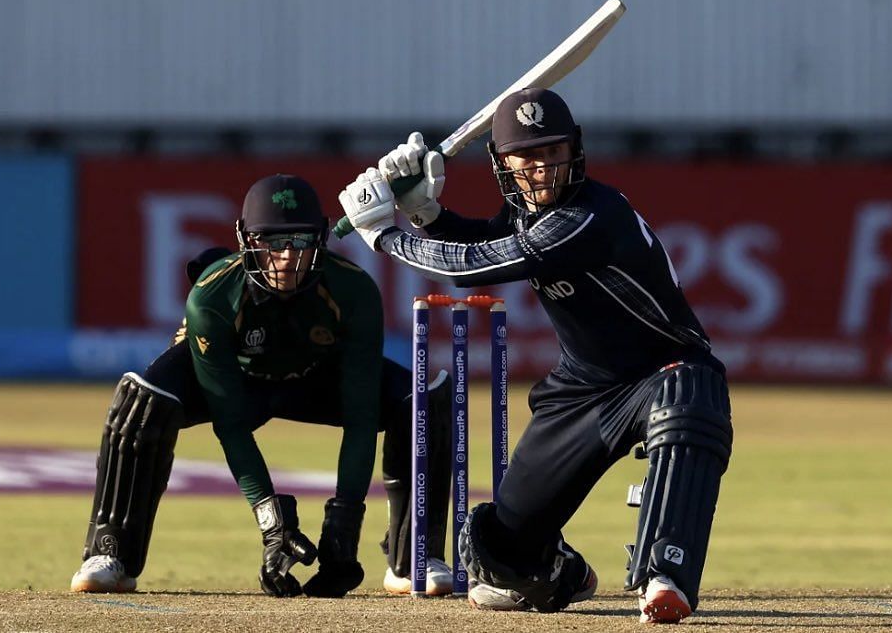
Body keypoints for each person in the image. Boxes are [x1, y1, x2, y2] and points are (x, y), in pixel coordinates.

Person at [338, 89, 733, 623]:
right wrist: (427, 213)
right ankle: (559, 572)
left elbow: (472, 267)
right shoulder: (526, 214)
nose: (544, 168)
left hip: (663, 368)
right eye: (529, 157)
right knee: (497, 551)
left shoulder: (591, 214)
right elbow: (480, 239)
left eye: (554, 152)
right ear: (504, 165)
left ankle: (666, 573)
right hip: (583, 390)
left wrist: (383, 235)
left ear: (576, 150)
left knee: (692, 392)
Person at [70, 173, 456, 598]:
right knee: (141, 400)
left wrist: (343, 523)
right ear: (245, 239)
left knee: (424, 400)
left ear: (321, 240)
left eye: (298, 241)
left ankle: (415, 559)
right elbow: (231, 425)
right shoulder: (213, 296)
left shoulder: (354, 290)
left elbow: (361, 419)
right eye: (271, 241)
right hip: (234, 380)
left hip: (315, 378)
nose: (286, 258)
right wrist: (272, 523)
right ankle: (112, 553)